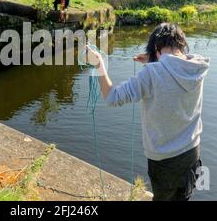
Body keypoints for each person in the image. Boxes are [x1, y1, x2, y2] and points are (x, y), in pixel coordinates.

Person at [85, 23, 210, 201]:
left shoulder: (151, 73)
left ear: (156, 48)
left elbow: (113, 97)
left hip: (164, 160)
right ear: (182, 44)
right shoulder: (197, 67)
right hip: (192, 152)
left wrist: (99, 64)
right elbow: (174, 64)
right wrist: (155, 60)